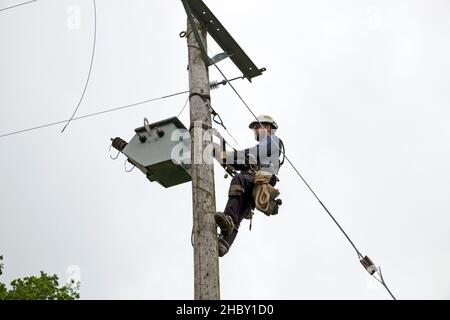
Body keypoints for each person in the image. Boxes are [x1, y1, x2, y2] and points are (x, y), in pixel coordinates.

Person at [213, 115, 284, 257]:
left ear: (267, 128)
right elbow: (240, 161)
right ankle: (224, 243)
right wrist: (219, 154)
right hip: (252, 182)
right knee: (240, 207)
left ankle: (228, 220)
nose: (255, 131)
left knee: (239, 180)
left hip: (259, 180)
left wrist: (228, 154)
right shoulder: (263, 147)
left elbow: (253, 153)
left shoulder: (274, 142)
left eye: (257, 127)